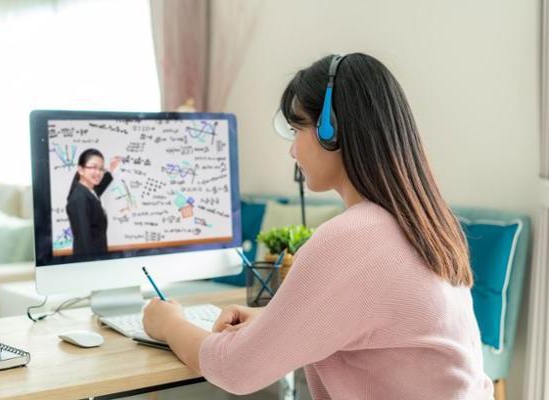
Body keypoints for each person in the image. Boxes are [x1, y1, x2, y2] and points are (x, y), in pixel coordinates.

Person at [141, 53, 494, 399]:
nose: (292, 150)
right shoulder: (426, 223)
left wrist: (168, 323)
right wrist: (273, 322)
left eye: (297, 129)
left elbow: (236, 369)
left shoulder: (354, 237)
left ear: (331, 130)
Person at [66, 148, 120, 255]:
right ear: (81, 170)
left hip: (98, 258)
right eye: (94, 167)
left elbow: (98, 189)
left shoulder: (89, 191)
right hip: (89, 263)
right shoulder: (79, 199)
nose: (98, 172)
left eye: (101, 169)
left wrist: (110, 170)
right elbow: (84, 241)